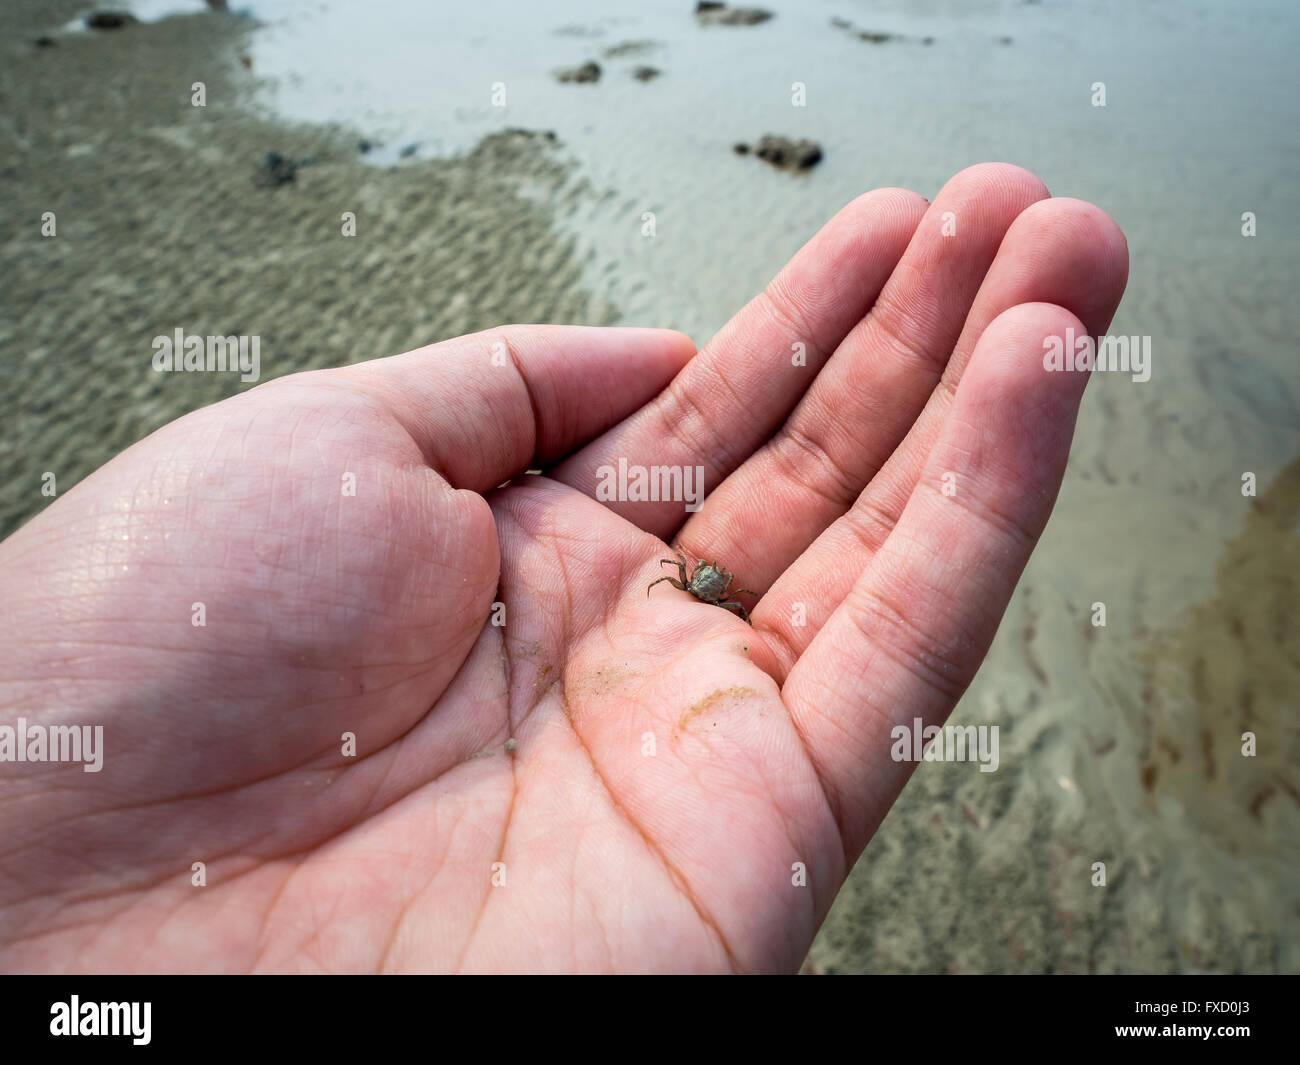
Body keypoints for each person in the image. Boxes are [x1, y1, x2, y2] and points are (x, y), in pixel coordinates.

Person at [0, 164, 1127, 972]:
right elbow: (690, 583)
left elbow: (701, 585)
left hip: (680, 593)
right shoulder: (679, 586)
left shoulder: (693, 586)